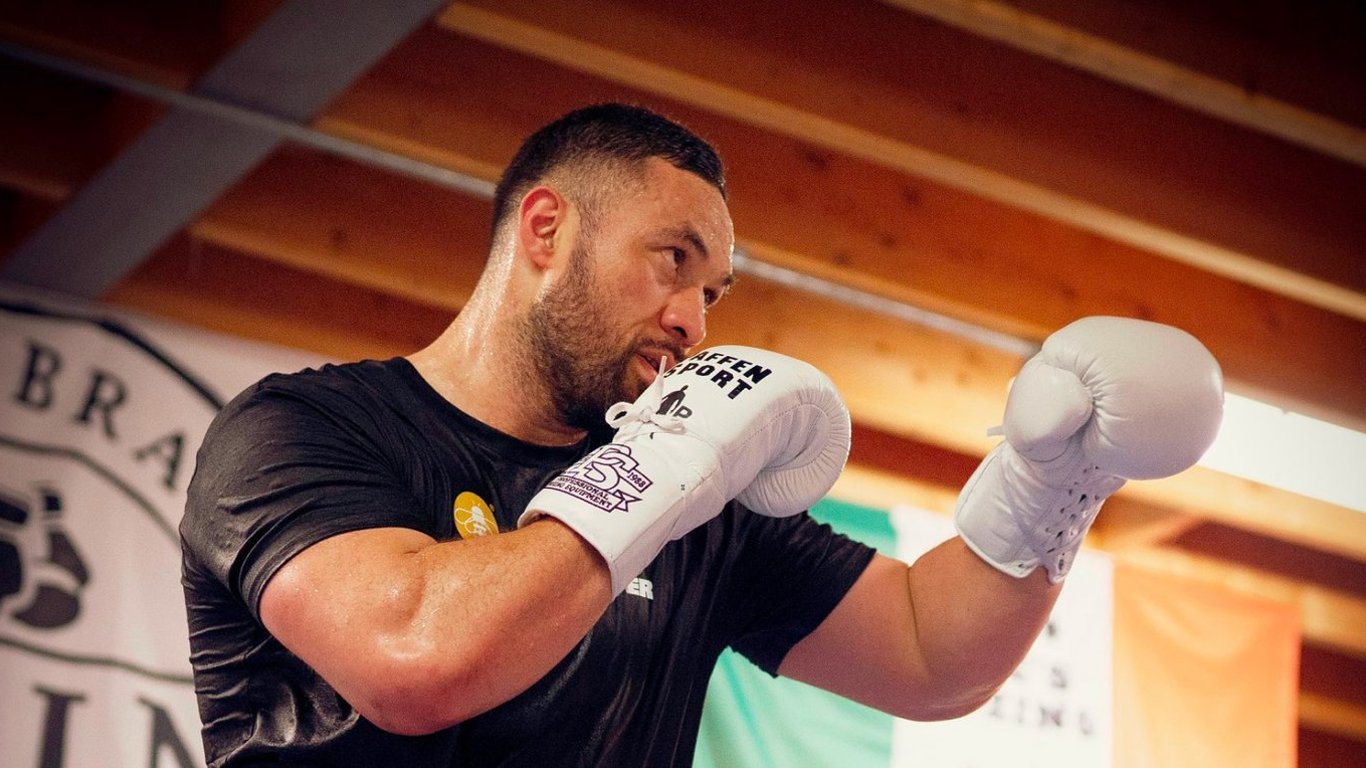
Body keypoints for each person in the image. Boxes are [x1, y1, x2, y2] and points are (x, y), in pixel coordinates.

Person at [180, 103, 1223, 767]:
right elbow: (415, 659)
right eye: (672, 260)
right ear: (546, 230)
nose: (693, 322)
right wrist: (663, 464)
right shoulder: (302, 430)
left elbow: (928, 655)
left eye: (713, 291)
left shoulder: (697, 500)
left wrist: (1053, 480)